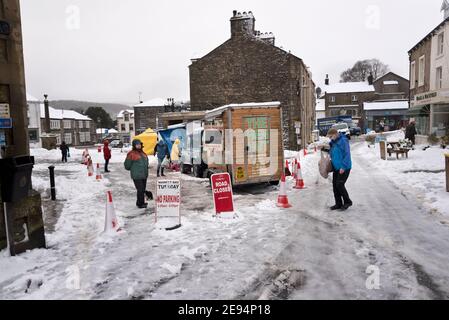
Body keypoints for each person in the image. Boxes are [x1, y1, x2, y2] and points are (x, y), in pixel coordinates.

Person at [327, 128, 353, 211]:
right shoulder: (333, 143)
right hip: (336, 167)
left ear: (335, 134)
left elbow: (347, 155)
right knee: (335, 186)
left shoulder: (343, 141)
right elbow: (333, 153)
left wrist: (343, 167)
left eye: (331, 136)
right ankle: (338, 203)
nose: (330, 138)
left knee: (339, 184)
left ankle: (347, 202)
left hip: (344, 167)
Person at [124, 139, 151, 209]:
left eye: (139, 144)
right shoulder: (131, 154)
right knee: (140, 189)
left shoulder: (143, 153)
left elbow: (146, 163)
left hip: (144, 175)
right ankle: (140, 203)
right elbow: (127, 166)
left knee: (142, 189)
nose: (138, 146)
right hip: (137, 175)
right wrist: (134, 169)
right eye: (137, 144)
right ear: (134, 145)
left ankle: (141, 202)